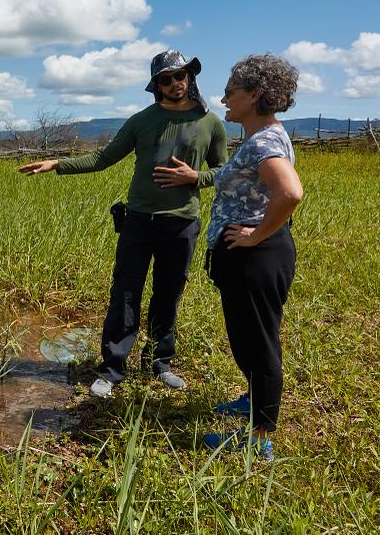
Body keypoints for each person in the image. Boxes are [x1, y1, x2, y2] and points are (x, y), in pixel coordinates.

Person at [20, 50, 228, 396]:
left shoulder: (210, 123)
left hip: (182, 224)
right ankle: (113, 369)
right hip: (139, 223)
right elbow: (103, 158)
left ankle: (160, 362)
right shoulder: (141, 121)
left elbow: (224, 172)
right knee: (126, 295)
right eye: (167, 79)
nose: (176, 83)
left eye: (181, 76)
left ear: (190, 78)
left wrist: (195, 177)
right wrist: (58, 163)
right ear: (156, 85)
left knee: (168, 294)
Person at [202, 53, 304, 461]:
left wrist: (255, 235)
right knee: (247, 338)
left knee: (259, 343)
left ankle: (259, 438)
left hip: (256, 255)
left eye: (230, 91)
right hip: (247, 255)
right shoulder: (262, 136)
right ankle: (252, 400)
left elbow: (290, 193)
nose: (224, 99)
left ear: (255, 94)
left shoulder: (263, 141)